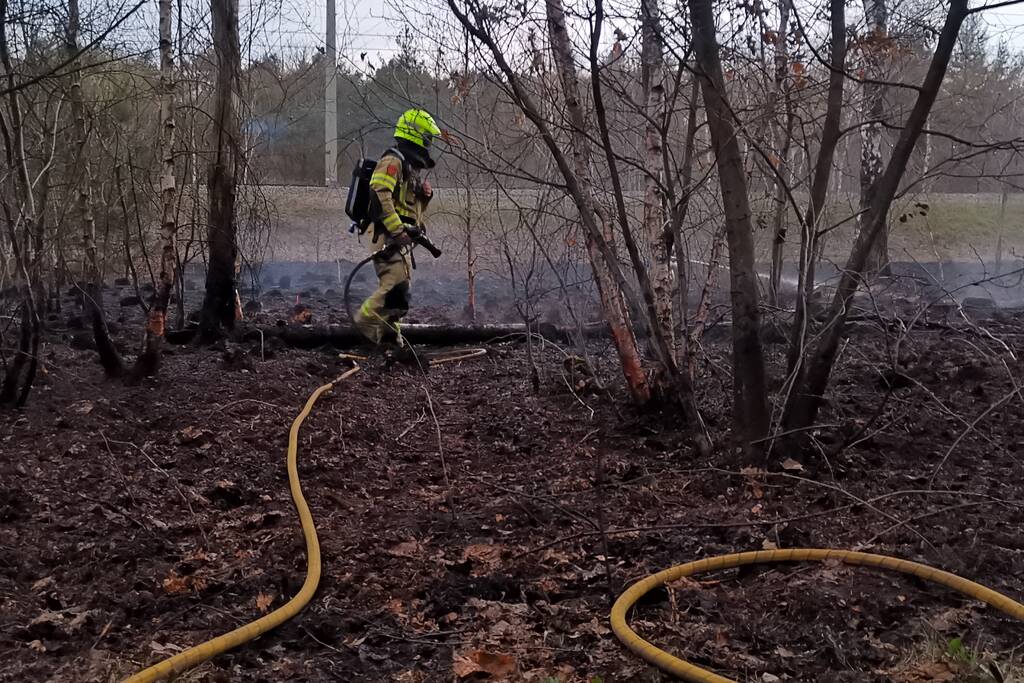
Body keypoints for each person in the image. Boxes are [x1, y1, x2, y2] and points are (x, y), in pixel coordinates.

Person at [353, 108, 440, 349]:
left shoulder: (408, 166)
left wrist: (424, 197)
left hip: (397, 237)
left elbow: (408, 209)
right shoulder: (393, 161)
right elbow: (379, 193)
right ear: (416, 134)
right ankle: (361, 326)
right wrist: (397, 230)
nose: (429, 143)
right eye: (427, 137)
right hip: (385, 234)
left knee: (399, 292)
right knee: (395, 285)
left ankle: (390, 340)